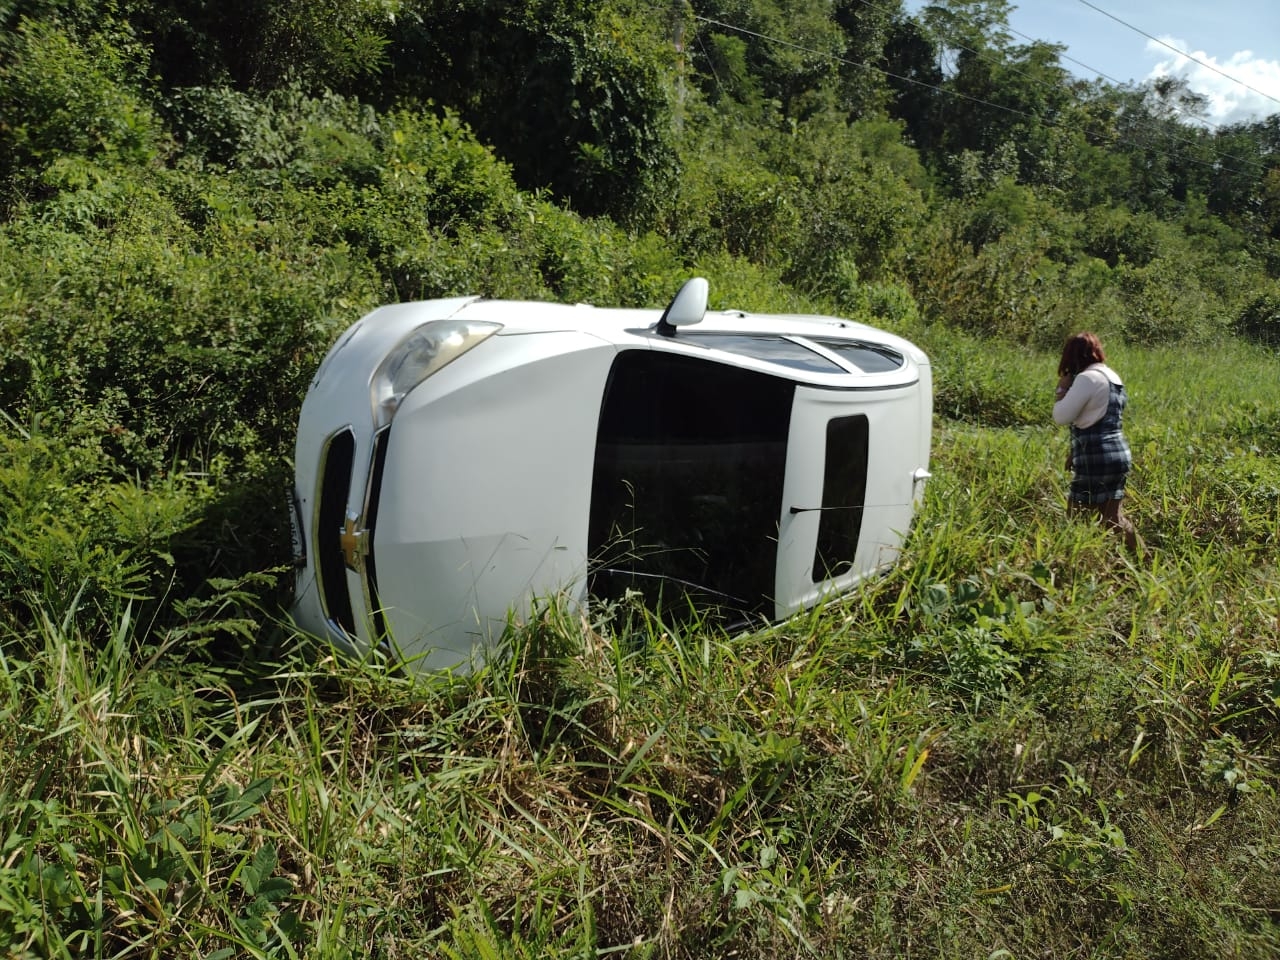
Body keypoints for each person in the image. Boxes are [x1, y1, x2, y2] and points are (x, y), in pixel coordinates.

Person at [1053, 332, 1139, 551]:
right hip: (1118, 454)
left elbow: (1061, 416)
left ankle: (1077, 567)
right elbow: (1098, 417)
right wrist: (1075, 451)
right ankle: (1145, 561)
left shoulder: (1087, 378)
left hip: (1096, 457)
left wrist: (1062, 388)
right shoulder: (1112, 377)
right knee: (1113, 519)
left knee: (1075, 517)